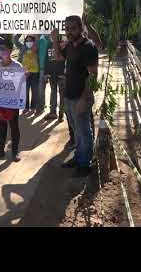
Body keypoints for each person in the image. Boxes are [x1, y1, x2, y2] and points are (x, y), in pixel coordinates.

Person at [51, 15, 99, 178]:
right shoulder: (71, 45)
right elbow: (58, 57)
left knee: (84, 131)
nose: (69, 32)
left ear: (81, 28)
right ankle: (79, 158)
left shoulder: (88, 47)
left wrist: (84, 99)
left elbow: (93, 75)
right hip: (69, 96)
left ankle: (85, 165)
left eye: (73, 28)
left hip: (81, 98)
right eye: (67, 28)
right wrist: (55, 40)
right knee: (76, 131)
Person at [0, 38, 23, 163]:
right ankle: (0, 151)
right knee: (1, 127)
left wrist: (23, 77)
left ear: (10, 50)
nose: (2, 51)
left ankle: (15, 152)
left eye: (4, 49)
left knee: (14, 127)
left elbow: (20, 85)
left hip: (12, 102)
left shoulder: (17, 66)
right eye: (0, 49)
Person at [13, 34, 40, 114]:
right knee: (25, 91)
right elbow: (15, 40)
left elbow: (38, 39)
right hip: (24, 72)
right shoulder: (22, 47)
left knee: (35, 91)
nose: (29, 42)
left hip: (35, 72)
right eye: (27, 41)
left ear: (33, 41)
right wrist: (20, 32)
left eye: (30, 40)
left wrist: (35, 33)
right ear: (25, 42)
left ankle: (33, 107)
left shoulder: (36, 47)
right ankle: (26, 107)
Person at [43, 34, 66, 122]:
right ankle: (53, 112)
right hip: (52, 75)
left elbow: (66, 59)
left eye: (54, 35)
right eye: (51, 35)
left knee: (62, 94)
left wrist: (64, 73)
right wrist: (46, 73)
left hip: (61, 75)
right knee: (53, 93)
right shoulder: (49, 45)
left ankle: (61, 114)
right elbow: (47, 59)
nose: (52, 36)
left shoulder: (64, 44)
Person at [37, 33, 51, 113]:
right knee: (41, 88)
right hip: (41, 68)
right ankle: (41, 105)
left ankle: (54, 110)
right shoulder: (40, 40)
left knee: (52, 89)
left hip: (49, 68)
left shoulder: (49, 40)